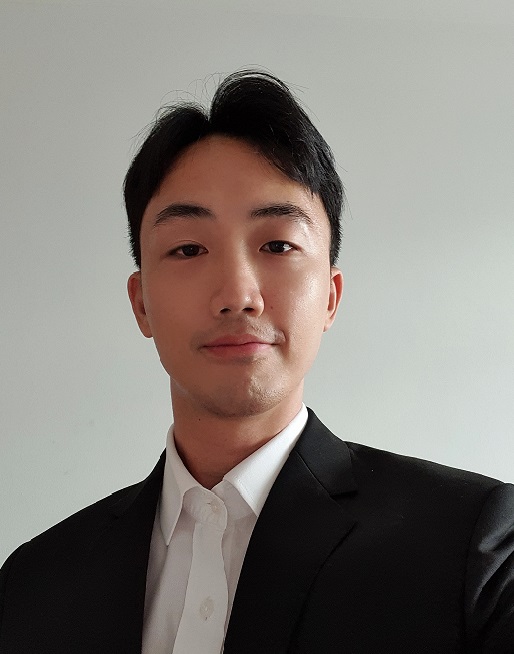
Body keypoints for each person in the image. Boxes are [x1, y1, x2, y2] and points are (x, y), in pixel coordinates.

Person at [0, 70, 513, 654]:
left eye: (277, 245)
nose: (238, 294)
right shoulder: (33, 585)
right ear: (141, 303)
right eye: (188, 248)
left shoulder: (470, 549)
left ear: (330, 297)